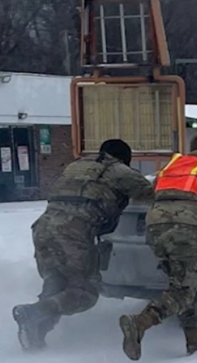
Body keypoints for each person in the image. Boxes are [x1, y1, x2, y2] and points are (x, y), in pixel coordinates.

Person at [12, 138, 154, 351]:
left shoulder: (76, 166)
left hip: (43, 229)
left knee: (56, 283)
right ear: (125, 159)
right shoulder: (121, 172)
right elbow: (152, 194)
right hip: (73, 232)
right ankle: (32, 313)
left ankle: (36, 335)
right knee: (85, 293)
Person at [119, 131, 197, 361]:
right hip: (186, 229)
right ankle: (140, 322)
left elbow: (149, 194)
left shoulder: (172, 168)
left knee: (185, 283)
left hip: (155, 227)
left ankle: (194, 338)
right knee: (184, 289)